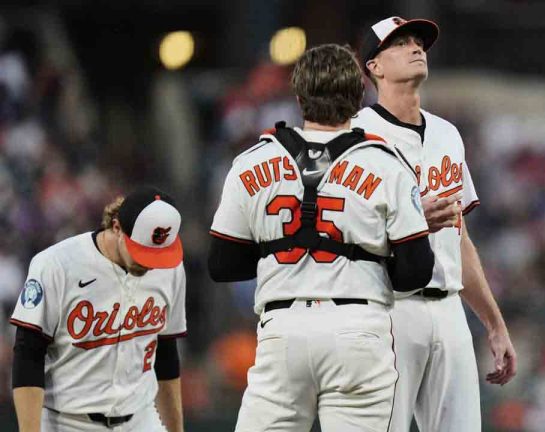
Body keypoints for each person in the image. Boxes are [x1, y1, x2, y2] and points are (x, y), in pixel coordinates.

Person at [208, 43, 434, 431]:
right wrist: (370, 254)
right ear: (358, 98)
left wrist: (283, 250)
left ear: (298, 98)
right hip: (358, 329)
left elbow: (222, 264)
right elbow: (417, 272)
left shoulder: (253, 161)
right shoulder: (386, 162)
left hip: (283, 328)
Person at [353, 16, 518, 431]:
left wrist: (494, 325)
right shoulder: (355, 137)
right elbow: (340, 238)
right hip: (387, 309)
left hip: (448, 310)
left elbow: (458, 237)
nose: (416, 48)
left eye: (418, 41)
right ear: (374, 66)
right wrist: (409, 220)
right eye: (401, 43)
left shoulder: (448, 134)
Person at [10, 186, 187, 432]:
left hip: (141, 418)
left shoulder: (170, 268)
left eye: (158, 254)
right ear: (116, 227)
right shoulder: (57, 264)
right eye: (142, 252)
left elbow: (167, 354)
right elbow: (28, 355)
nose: (151, 264)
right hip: (68, 421)